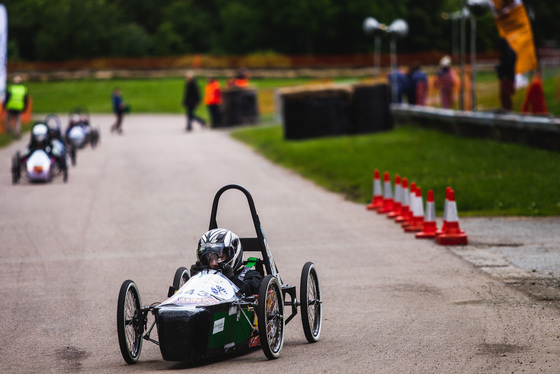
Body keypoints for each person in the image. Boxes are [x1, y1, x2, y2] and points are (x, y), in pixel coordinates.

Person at [190, 228, 262, 296]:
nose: (214, 264)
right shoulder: (205, 276)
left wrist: (230, 279)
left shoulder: (250, 274)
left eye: (220, 257)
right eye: (210, 259)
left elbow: (252, 289)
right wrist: (194, 279)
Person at [496, 37, 516, 112]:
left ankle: (508, 110)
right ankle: (506, 109)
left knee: (506, 95)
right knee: (504, 96)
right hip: (508, 77)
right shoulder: (510, 52)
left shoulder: (508, 54)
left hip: (507, 78)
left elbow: (507, 65)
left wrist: (500, 68)